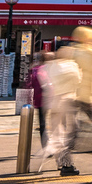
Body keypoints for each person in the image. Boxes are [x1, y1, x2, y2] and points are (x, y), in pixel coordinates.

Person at [36, 46, 83, 175]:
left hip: (53, 103)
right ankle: (65, 164)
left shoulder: (50, 66)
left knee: (57, 132)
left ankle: (60, 161)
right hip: (67, 103)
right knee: (67, 134)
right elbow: (78, 81)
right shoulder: (71, 65)